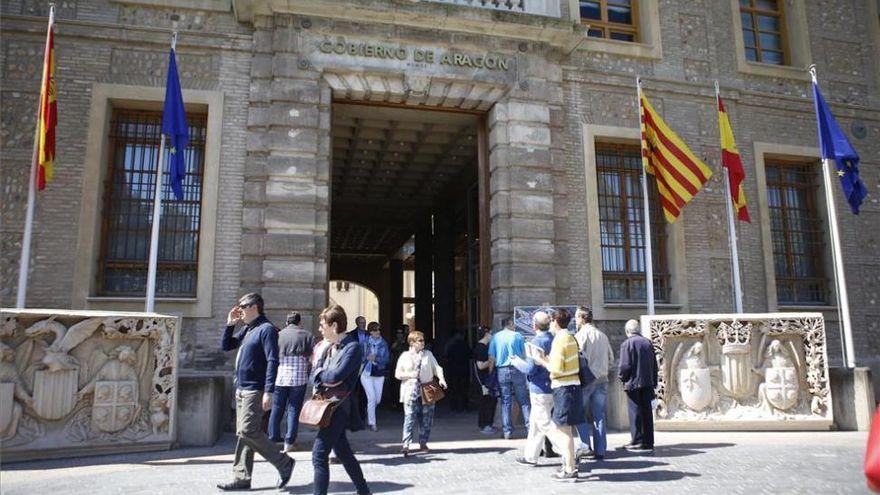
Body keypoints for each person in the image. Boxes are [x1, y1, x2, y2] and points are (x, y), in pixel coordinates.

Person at [217, 293, 294, 491]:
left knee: (248, 430)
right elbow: (226, 346)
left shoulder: (266, 329)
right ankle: (242, 477)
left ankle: (283, 462)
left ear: (254, 307)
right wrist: (229, 324)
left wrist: (269, 391)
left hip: (255, 389)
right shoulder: (248, 329)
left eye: (242, 306)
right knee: (243, 434)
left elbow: (272, 361)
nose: (239, 310)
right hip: (242, 387)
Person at [310, 305, 371, 495]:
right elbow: (315, 374)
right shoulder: (330, 348)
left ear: (334, 325)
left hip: (339, 408)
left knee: (319, 455)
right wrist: (321, 374)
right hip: (328, 405)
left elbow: (336, 375)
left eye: (322, 325)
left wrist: (320, 374)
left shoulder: (352, 348)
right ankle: (364, 490)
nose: (320, 329)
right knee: (343, 452)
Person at [511, 311, 578, 482]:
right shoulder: (553, 339)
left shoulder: (537, 341)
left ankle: (569, 453)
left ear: (533, 325)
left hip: (539, 388)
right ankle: (530, 456)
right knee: (535, 423)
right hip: (552, 387)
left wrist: (516, 362)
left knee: (545, 423)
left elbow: (531, 369)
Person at [269, 311, 314, 453]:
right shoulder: (307, 335)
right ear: (300, 322)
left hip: (280, 376)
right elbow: (311, 358)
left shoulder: (278, 335)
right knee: (293, 409)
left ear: (287, 322)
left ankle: (273, 438)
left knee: (276, 408)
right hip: (299, 377)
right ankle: (289, 442)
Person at [395, 330, 447, 456]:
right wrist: (409, 375)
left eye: (423, 340)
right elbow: (397, 374)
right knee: (409, 417)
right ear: (412, 342)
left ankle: (423, 442)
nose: (423, 342)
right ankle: (406, 445)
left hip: (428, 388)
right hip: (410, 390)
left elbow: (437, 368)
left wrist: (441, 379)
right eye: (420, 340)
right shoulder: (405, 356)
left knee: (427, 418)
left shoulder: (428, 354)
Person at [573, 306, 614, 460]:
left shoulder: (579, 336)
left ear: (582, 318)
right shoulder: (602, 335)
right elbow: (610, 357)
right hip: (602, 379)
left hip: (586, 380)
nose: (575, 320)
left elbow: (576, 359)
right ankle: (601, 449)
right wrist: (604, 370)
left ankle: (585, 446)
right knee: (599, 415)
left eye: (577, 317)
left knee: (579, 414)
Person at [618, 319, 659, 452]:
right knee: (647, 412)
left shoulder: (627, 344)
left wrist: (622, 377)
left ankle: (637, 440)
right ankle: (648, 441)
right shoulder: (647, 343)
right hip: (647, 382)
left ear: (627, 331)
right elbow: (654, 364)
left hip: (633, 383)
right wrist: (654, 381)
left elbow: (624, 366)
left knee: (634, 412)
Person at [488, 318, 530, 439]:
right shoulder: (518, 336)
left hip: (502, 370)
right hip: (517, 369)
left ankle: (507, 431)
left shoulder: (496, 337)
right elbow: (523, 355)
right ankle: (530, 429)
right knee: (523, 401)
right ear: (510, 324)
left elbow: (491, 357)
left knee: (505, 402)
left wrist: (490, 373)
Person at [361, 321, 390, 431]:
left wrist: (376, 359)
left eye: (378, 330)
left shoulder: (383, 343)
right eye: (375, 330)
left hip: (379, 372)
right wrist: (366, 358)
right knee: (372, 397)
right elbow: (359, 357)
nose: (377, 332)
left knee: (377, 400)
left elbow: (387, 359)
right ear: (370, 332)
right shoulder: (364, 343)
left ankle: (369, 408)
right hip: (366, 373)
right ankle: (372, 423)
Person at [472, 325, 498, 433]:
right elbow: (480, 366)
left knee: (491, 401)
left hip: (488, 379)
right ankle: (485, 425)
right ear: (487, 334)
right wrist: (492, 361)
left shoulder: (486, 346)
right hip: (483, 381)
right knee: (486, 402)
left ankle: (489, 424)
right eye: (491, 333)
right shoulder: (481, 347)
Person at [444, 329, 472, 412]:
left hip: (453, 370)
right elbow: (471, 355)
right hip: (464, 369)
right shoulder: (465, 345)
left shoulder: (451, 345)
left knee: (455, 389)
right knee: (464, 389)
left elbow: (446, 357)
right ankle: (464, 406)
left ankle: (454, 407)